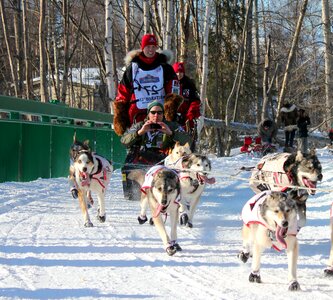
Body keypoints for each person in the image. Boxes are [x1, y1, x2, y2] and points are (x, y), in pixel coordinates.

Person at [121, 101, 192, 200]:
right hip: (142, 158)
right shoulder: (139, 125)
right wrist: (140, 132)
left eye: (159, 113)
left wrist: (170, 133)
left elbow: (188, 141)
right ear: (148, 114)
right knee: (128, 168)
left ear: (163, 114)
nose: (156, 115)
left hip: (165, 159)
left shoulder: (172, 126)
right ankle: (132, 194)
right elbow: (124, 141)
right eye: (153, 112)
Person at [113, 33, 179, 137]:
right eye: (148, 47)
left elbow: (174, 90)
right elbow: (123, 92)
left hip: (159, 114)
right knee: (136, 142)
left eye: (153, 47)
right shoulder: (132, 68)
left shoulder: (165, 68)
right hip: (137, 114)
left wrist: (170, 109)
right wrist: (120, 116)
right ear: (142, 47)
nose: (151, 50)